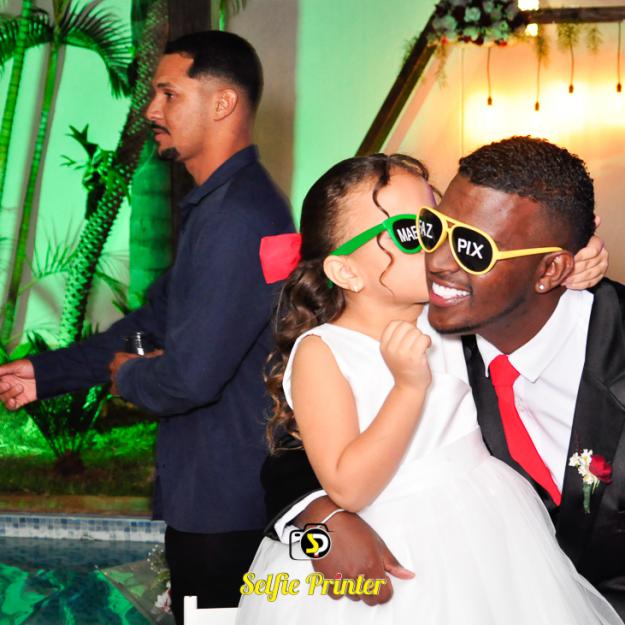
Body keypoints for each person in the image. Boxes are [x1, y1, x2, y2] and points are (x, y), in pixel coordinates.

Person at [236, 152, 622, 624]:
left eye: (437, 222)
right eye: (413, 231)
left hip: (501, 538)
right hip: (400, 552)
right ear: (347, 271)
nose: (438, 246)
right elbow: (315, 464)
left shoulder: (456, 318)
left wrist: (564, 257)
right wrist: (407, 389)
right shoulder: (335, 349)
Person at [0, 31, 294, 623]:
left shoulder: (239, 217)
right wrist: (45, 373)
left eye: (168, 94)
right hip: (213, 493)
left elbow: (189, 379)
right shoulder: (222, 205)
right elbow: (156, 319)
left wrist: (127, 375)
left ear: (223, 103)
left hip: (223, 503)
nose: (151, 110)